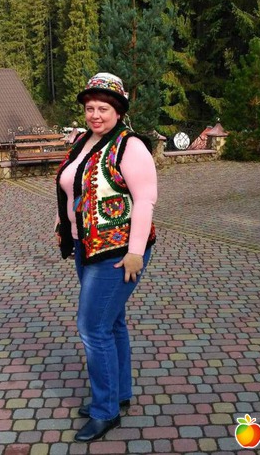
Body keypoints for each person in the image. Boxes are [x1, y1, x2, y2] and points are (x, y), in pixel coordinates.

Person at [55, 72, 158, 443]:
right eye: (90, 108)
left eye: (103, 108)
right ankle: (118, 393)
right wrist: (63, 223)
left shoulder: (130, 146)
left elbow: (145, 200)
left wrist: (135, 252)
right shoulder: (83, 141)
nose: (95, 115)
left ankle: (105, 411)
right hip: (87, 246)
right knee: (112, 323)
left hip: (117, 252)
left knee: (92, 327)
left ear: (118, 111)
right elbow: (73, 187)